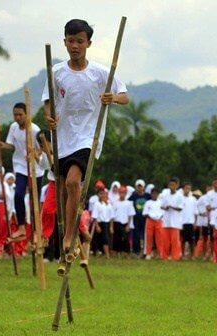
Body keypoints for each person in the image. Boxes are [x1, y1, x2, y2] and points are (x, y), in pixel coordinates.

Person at [43, 18, 129, 255]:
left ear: (88, 43)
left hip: (88, 137)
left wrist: (112, 98)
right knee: (63, 190)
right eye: (71, 41)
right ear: (64, 42)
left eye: (80, 41)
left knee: (73, 182)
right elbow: (48, 102)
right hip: (63, 137)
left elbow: (124, 95)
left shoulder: (100, 73)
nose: (75, 46)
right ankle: (75, 230)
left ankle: (68, 236)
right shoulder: (57, 72)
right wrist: (49, 117)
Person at [0, 102, 44, 240]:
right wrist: (3, 145)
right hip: (20, 166)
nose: (17, 118)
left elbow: (44, 148)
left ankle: (36, 232)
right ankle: (22, 227)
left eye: (20, 115)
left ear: (27, 115)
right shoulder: (13, 127)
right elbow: (12, 146)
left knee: (35, 201)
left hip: (36, 168)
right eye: (15, 115)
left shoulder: (34, 130)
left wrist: (33, 153)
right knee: (18, 195)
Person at [160, 178, 184, 261]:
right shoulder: (165, 195)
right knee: (165, 241)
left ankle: (175, 256)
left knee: (175, 241)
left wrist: (172, 207)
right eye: (170, 185)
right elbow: (161, 205)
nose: (171, 187)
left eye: (173, 185)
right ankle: (165, 256)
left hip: (175, 222)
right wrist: (165, 207)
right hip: (166, 221)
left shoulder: (179, 196)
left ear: (177, 185)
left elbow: (180, 208)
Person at [128, 179, 150, 256]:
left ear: (144, 187)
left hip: (145, 218)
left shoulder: (147, 196)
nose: (139, 188)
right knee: (136, 234)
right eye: (138, 186)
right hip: (136, 218)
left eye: (141, 186)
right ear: (135, 187)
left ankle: (145, 250)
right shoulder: (133, 196)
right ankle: (136, 251)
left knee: (145, 234)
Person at [111, 185, 135, 257]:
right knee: (117, 238)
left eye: (124, 193)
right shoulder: (115, 203)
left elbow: (130, 215)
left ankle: (127, 253)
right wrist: (112, 226)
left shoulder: (129, 203)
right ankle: (118, 253)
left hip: (125, 223)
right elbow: (112, 215)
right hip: (117, 222)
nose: (122, 194)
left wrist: (128, 225)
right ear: (119, 193)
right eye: (121, 193)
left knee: (125, 238)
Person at [91, 188, 113, 259]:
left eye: (103, 193)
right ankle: (100, 254)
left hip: (106, 223)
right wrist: (97, 226)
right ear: (98, 195)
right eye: (100, 194)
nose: (102, 195)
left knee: (106, 239)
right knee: (98, 239)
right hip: (99, 223)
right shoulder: (96, 204)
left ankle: (107, 254)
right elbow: (95, 216)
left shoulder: (107, 204)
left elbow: (111, 216)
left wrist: (111, 226)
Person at [142, 188, 163, 260]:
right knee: (149, 237)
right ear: (151, 194)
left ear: (158, 194)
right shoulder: (148, 202)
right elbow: (145, 213)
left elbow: (163, 212)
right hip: (150, 220)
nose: (154, 195)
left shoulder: (160, 202)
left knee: (159, 238)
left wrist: (158, 217)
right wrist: (151, 217)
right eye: (153, 194)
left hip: (158, 221)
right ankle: (148, 253)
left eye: (156, 194)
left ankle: (160, 253)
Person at [180, 182, 198, 259]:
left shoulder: (193, 199)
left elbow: (195, 212)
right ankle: (183, 254)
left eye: (189, 188)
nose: (187, 190)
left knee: (192, 240)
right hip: (182, 222)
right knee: (183, 240)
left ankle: (193, 255)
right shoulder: (180, 198)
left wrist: (195, 222)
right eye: (186, 188)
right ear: (183, 189)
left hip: (190, 222)